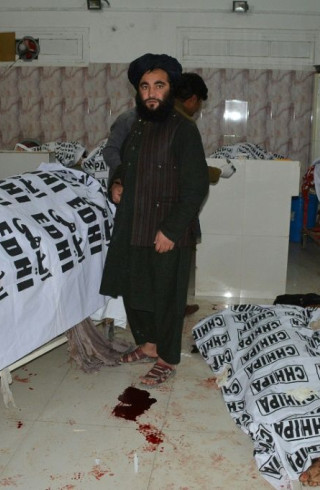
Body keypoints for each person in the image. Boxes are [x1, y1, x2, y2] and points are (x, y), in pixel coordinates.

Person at [99, 53, 210, 386]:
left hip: (166, 230)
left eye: (158, 86)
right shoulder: (135, 127)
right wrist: (116, 183)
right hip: (134, 224)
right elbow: (124, 167)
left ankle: (167, 358)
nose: (150, 93)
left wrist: (172, 230)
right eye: (145, 86)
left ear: (169, 89)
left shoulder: (183, 131)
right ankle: (147, 346)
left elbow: (197, 187)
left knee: (166, 297)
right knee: (136, 294)